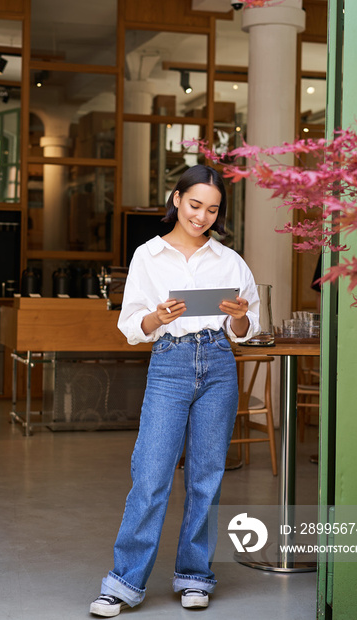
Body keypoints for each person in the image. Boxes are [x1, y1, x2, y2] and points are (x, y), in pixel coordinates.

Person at [90, 164, 260, 617]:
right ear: (176, 199)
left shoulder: (230, 261)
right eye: (194, 205)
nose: (201, 216)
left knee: (206, 476)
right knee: (150, 476)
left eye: (212, 209)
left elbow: (244, 330)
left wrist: (239, 314)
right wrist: (158, 318)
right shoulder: (148, 256)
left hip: (219, 365)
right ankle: (124, 583)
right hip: (169, 363)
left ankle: (195, 576)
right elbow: (132, 327)